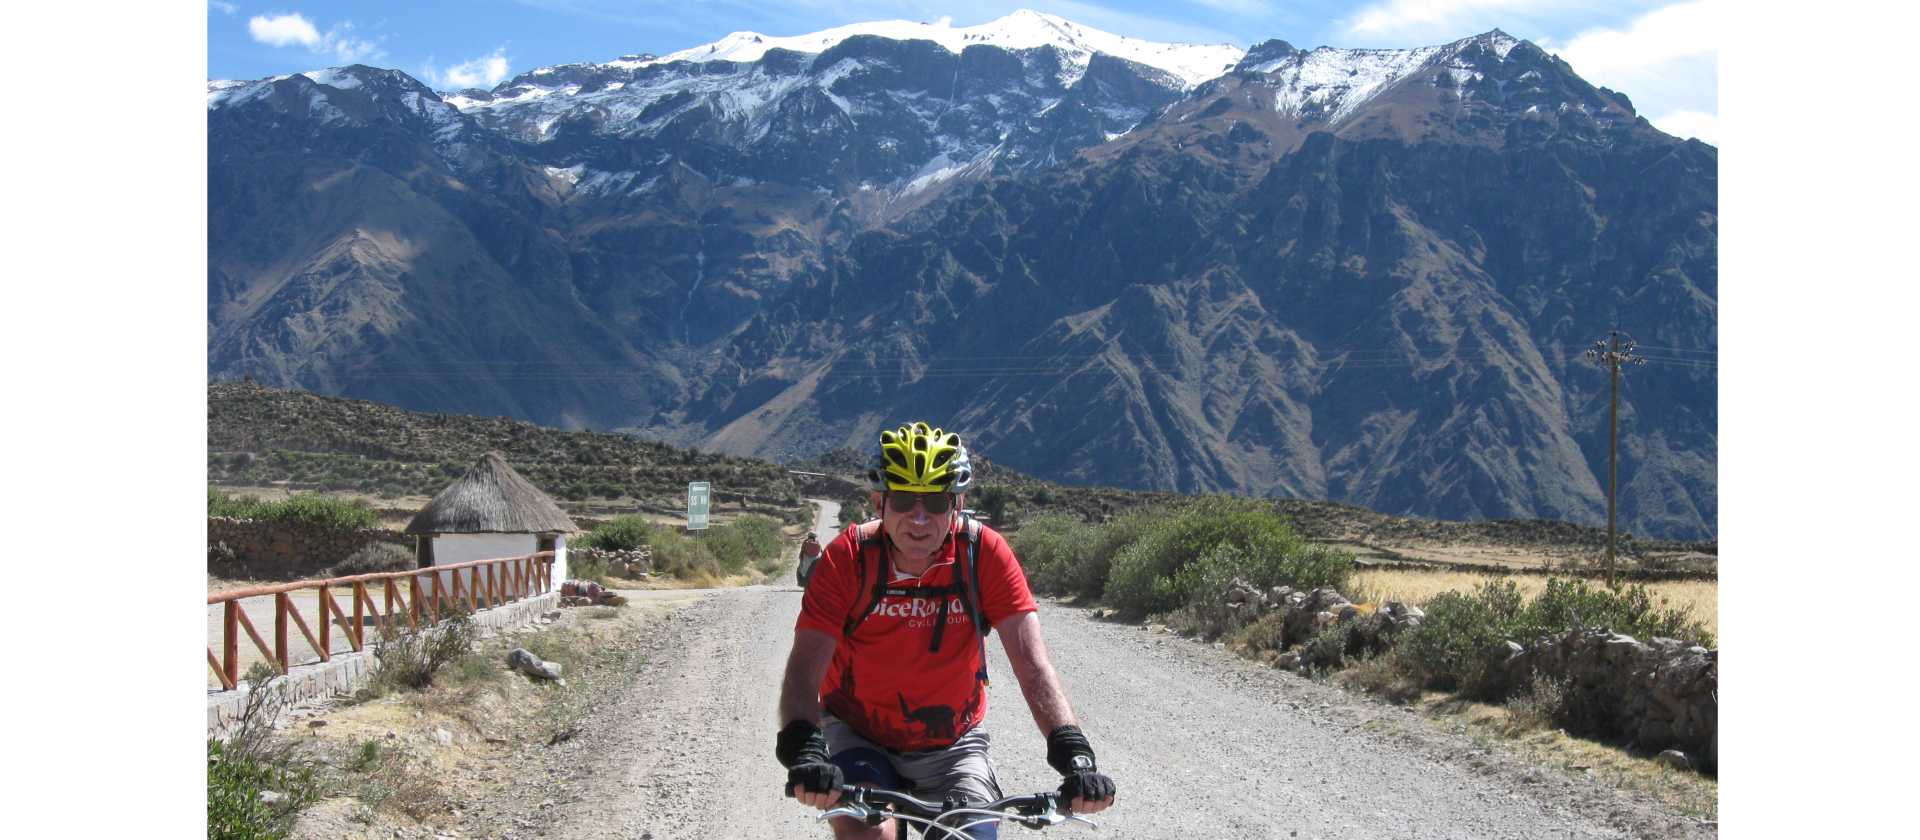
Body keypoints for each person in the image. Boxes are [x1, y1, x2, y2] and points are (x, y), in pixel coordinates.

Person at [775, 422, 1116, 839]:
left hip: (953, 746)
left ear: (957, 503)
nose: (919, 518)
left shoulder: (984, 555)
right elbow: (804, 671)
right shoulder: (848, 559)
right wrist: (804, 747)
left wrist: (1074, 753)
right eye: (903, 499)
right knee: (871, 833)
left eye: (935, 502)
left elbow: (1033, 667)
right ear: (879, 500)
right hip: (858, 734)